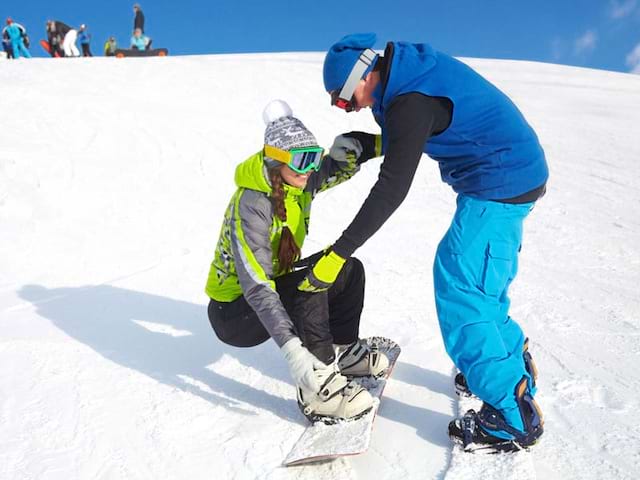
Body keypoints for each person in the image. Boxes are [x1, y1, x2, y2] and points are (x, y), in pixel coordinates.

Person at [317, 33, 548, 452]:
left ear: (365, 74)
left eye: (347, 98)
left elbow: (392, 189)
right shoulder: (407, 75)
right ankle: (509, 365)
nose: (352, 107)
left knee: (462, 284)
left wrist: (340, 251)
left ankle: (509, 414)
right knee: (480, 280)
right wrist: (372, 145)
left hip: (499, 179)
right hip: (511, 172)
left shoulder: (410, 98)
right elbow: (424, 128)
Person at [205, 100, 389, 422]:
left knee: (347, 268)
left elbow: (336, 167)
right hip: (233, 314)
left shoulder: (298, 183)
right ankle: (318, 389)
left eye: (313, 158)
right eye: (302, 161)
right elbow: (258, 286)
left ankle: (342, 352)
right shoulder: (252, 203)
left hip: (266, 292)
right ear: (277, 163)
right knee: (310, 285)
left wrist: (361, 148)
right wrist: (293, 353)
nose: (309, 169)